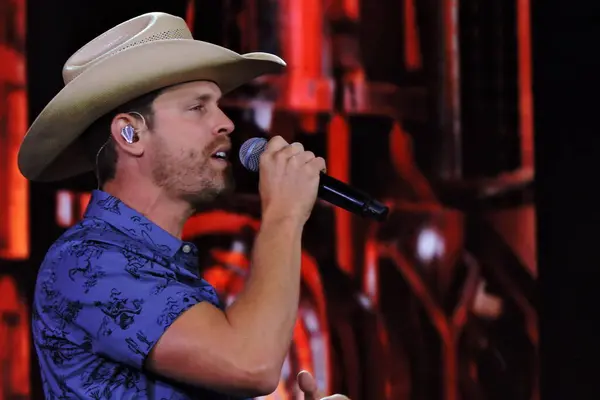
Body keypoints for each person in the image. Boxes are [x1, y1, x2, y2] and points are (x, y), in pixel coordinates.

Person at [18, 11, 349, 400]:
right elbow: (251, 364)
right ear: (130, 133)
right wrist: (285, 213)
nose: (226, 122)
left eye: (219, 106)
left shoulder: (170, 272)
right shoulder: (86, 262)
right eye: (198, 107)